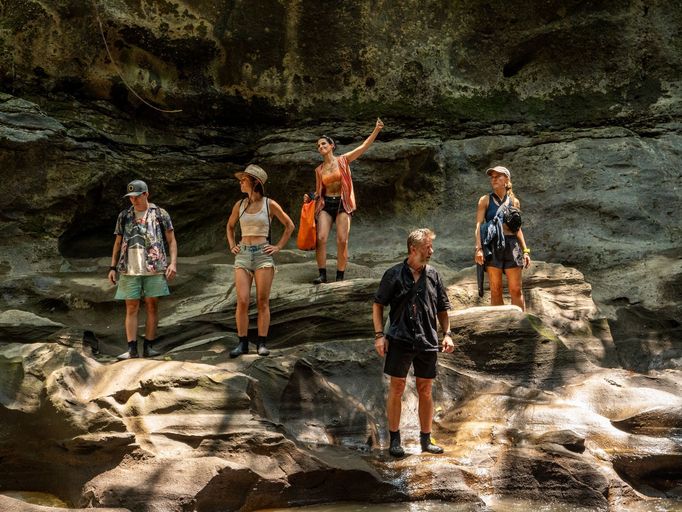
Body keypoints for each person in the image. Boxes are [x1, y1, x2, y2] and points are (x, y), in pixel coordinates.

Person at [372, 228, 455, 457]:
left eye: (431, 246)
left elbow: (442, 308)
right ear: (413, 249)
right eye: (427, 247)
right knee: (397, 387)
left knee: (425, 389)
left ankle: (426, 440)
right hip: (399, 338)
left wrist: (447, 334)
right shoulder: (393, 274)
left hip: (427, 339)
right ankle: (395, 440)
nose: (431, 250)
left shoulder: (434, 275)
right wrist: (379, 336)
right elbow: (378, 304)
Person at [304, 118, 384, 284]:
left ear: (332, 146)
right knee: (321, 238)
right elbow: (319, 191)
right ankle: (322, 274)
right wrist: (310, 196)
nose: (321, 147)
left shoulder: (343, 160)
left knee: (342, 239)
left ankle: (340, 276)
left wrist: (376, 129)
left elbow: (363, 147)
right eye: (318, 146)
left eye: (324, 144)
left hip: (342, 203)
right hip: (326, 204)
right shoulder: (319, 170)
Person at [226, 164, 295, 358]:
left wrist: (278, 247)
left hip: (263, 255)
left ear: (255, 182)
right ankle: (242, 343)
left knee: (262, 301)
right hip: (243, 254)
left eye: (244, 180)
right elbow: (230, 227)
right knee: (242, 300)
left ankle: (262, 343)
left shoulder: (269, 204)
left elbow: (289, 225)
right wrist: (232, 245)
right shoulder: (239, 205)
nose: (240, 183)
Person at [108, 180, 177, 359]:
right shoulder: (124, 215)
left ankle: (149, 346)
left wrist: (173, 263)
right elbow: (117, 242)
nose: (133, 200)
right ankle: (131, 349)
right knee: (131, 307)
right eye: (130, 197)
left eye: (136, 197)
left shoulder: (160, 214)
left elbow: (171, 240)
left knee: (152, 305)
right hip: (129, 268)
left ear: (146, 194)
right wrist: (112, 267)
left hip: (153, 267)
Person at [474, 165, 531, 310]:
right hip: (493, 247)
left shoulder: (514, 202)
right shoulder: (485, 200)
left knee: (516, 290)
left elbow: (517, 229)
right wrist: (479, 249)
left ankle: (520, 325)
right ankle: (498, 328)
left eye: (498, 176)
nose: (494, 179)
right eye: (492, 177)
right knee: (496, 290)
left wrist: (525, 250)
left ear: (506, 179)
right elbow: (479, 226)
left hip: (512, 245)